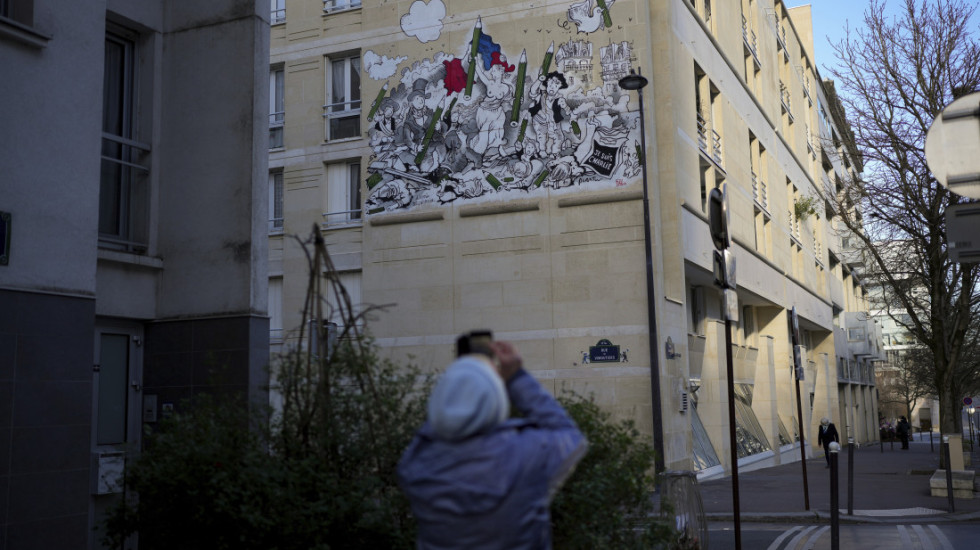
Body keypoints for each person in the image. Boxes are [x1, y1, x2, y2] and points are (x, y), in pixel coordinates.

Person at [398, 340, 587, 549]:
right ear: (496, 401)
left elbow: (435, 426)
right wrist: (515, 377)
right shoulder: (525, 454)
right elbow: (569, 435)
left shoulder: (415, 465)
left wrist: (458, 383)